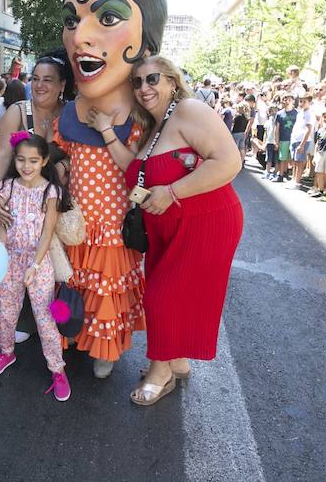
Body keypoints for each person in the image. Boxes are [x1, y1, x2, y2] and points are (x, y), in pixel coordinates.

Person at [94, 55, 242, 405]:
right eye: (138, 81)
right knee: (171, 297)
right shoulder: (155, 127)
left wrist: (173, 192)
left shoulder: (190, 110)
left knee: (162, 298)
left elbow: (230, 162)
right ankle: (177, 360)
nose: (144, 88)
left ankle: (160, 372)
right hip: (165, 227)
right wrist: (104, 129)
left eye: (153, 79)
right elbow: (133, 169)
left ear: (173, 82)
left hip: (204, 221)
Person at [52, 0, 163, 377]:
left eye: (109, 17)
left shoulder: (150, 117)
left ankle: (105, 351)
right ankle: (69, 334)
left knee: (107, 292)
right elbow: (51, 161)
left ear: (147, 40)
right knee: (68, 287)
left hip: (114, 231)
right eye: (72, 19)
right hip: (73, 225)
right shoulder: (65, 111)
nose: (80, 37)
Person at [0, 132, 71, 401]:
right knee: (4, 310)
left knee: (45, 318)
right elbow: (3, 223)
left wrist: (34, 265)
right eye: (21, 159)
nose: (26, 165)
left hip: (38, 263)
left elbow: (47, 233)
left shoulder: (51, 191)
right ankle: (6, 352)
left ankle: (57, 369)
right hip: (8, 259)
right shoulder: (7, 187)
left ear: (44, 161)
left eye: (33, 160)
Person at [290, 95, 314, 188]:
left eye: (304, 102)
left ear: (309, 102)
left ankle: (297, 182)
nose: (302, 103)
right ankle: (293, 179)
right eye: (300, 101)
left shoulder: (309, 114)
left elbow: (308, 129)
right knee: (295, 161)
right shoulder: (300, 113)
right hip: (296, 138)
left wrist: (302, 144)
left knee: (300, 161)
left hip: (302, 140)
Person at [274, 94, 298, 182]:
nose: (287, 101)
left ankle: (288, 173)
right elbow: (277, 128)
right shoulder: (280, 114)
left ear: (293, 101)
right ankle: (280, 175)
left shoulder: (297, 113)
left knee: (292, 158)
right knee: (282, 157)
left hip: (294, 139)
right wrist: (276, 141)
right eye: (285, 100)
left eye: (289, 99)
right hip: (283, 138)